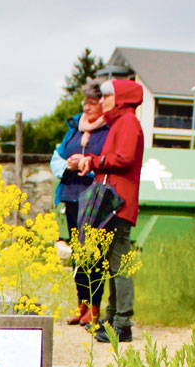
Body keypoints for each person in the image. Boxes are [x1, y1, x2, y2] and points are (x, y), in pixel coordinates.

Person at [78, 78, 144, 343]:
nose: (102, 101)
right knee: (112, 263)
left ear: (121, 98)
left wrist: (93, 161)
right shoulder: (120, 122)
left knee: (119, 263)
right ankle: (112, 318)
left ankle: (122, 323)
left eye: (107, 96)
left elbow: (125, 158)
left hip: (119, 203)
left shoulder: (128, 122)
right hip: (115, 201)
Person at [51, 81, 110, 327]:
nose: (86, 107)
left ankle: (94, 310)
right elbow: (57, 157)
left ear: (103, 105)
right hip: (71, 196)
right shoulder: (74, 128)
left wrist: (85, 166)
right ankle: (81, 306)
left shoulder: (108, 130)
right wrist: (68, 166)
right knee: (78, 254)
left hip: (94, 198)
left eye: (92, 103)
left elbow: (108, 163)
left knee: (94, 255)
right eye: (84, 102)